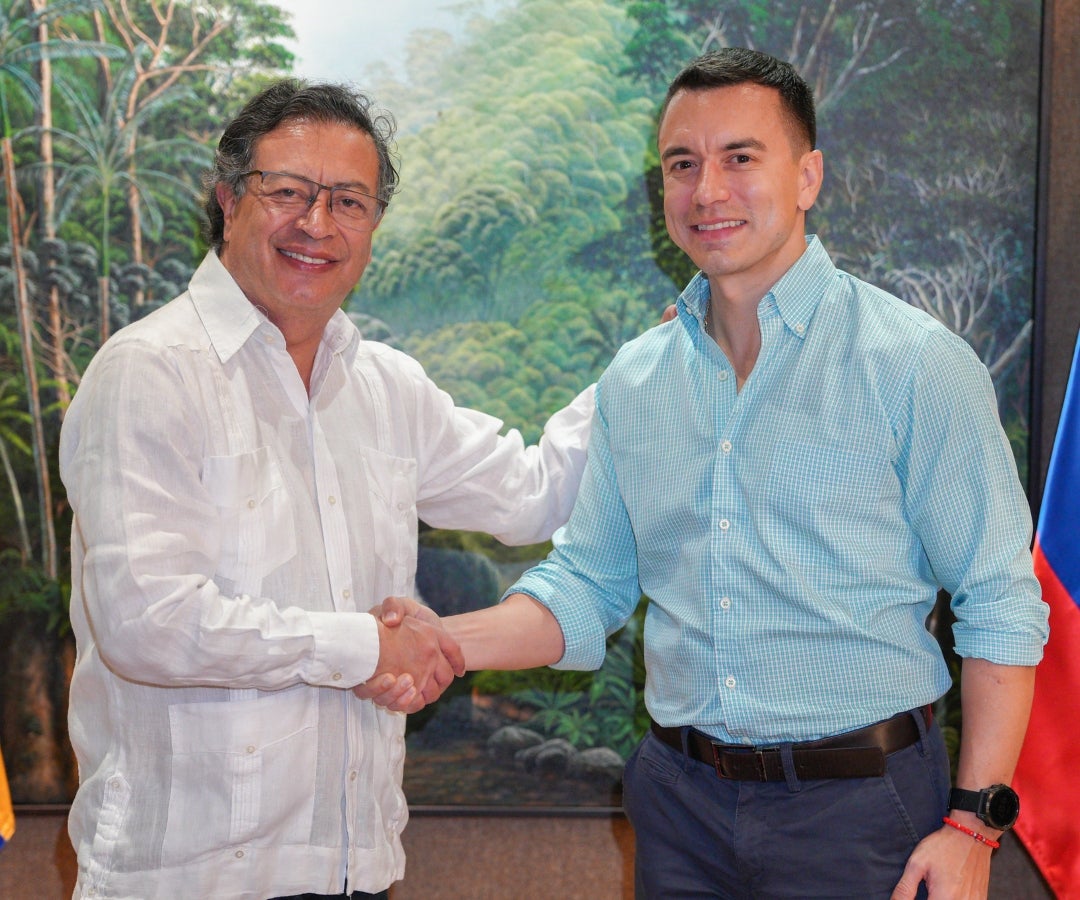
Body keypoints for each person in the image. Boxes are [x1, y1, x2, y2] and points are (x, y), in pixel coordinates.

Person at [390, 48, 1050, 898]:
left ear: (808, 176)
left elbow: (998, 602)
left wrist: (973, 823)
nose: (707, 191)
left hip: (862, 812)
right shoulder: (635, 379)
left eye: (741, 158)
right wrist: (443, 640)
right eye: (682, 165)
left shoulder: (915, 364)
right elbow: (589, 583)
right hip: (680, 807)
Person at [59, 79, 595, 900]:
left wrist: (647, 374)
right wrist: (366, 647)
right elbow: (149, 623)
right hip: (187, 880)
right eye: (288, 192)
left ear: (373, 225)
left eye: (348, 200)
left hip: (356, 867)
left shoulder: (386, 386)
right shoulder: (149, 373)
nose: (317, 224)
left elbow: (532, 495)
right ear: (228, 199)